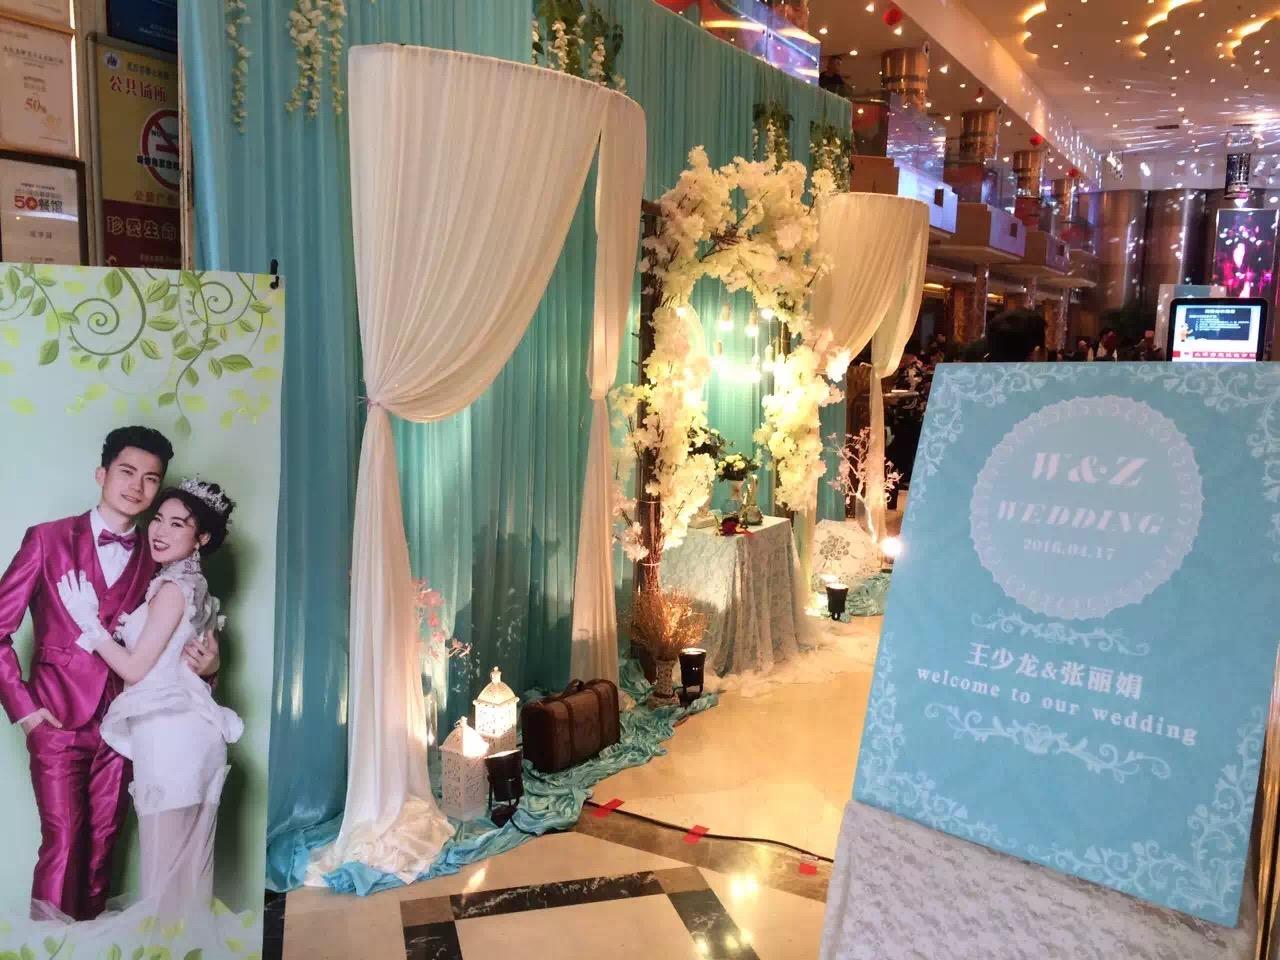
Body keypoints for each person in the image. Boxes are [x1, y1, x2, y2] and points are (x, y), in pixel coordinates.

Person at [0, 426, 219, 921]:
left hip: (127, 727)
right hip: (55, 719)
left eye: (151, 478)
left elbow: (180, 639)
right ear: (101, 474)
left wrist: (211, 668)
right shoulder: (47, 539)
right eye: (126, 472)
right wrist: (27, 712)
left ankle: (92, 947)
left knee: (104, 844)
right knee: (62, 839)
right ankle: (49, 947)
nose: (137, 487)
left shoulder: (160, 554)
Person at [57, 479, 241, 911]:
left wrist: (90, 625)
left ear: (202, 538)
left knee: (164, 877)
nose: (159, 530)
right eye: (158, 519)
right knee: (184, 881)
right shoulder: (193, 585)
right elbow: (196, 660)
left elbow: (135, 670)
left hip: (171, 733)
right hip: (185, 728)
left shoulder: (173, 589)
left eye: (178, 524)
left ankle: (169, 943)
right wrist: (212, 666)